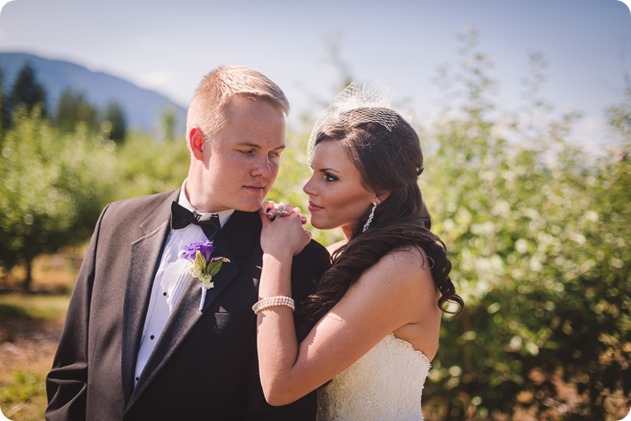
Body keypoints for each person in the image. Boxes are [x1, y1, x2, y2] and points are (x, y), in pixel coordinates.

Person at [45, 65, 330, 420]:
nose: (265, 169)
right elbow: (73, 369)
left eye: (274, 153)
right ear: (198, 143)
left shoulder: (297, 259)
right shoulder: (116, 222)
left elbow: (280, 412)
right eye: (248, 150)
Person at [253, 83, 464, 420]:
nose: (309, 187)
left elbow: (282, 386)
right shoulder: (338, 253)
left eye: (329, 177)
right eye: (313, 172)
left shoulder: (404, 267)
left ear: (380, 190)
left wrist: (275, 255)